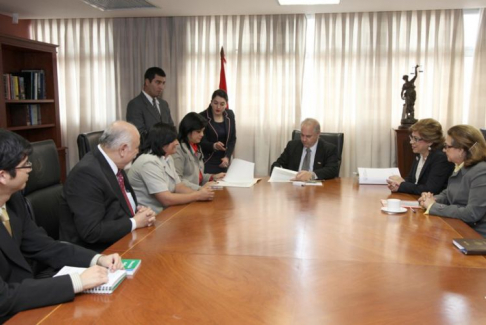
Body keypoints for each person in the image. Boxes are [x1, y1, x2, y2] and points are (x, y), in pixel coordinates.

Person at [0, 129, 124, 323]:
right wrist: (78, 282)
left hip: (26, 299)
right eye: (26, 165)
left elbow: (45, 246)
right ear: (3, 176)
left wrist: (97, 259)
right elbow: (3, 298)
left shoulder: (13, 201)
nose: (31, 169)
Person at [59, 121, 156, 252]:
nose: (137, 152)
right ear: (123, 149)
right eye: (137, 148)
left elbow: (115, 205)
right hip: (95, 252)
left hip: (122, 241)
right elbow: (91, 231)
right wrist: (134, 222)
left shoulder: (114, 164)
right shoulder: (86, 174)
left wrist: (139, 213)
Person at [127, 123, 215, 214]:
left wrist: (200, 192)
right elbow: (166, 199)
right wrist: (197, 195)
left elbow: (178, 186)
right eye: (173, 140)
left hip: (167, 212)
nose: (177, 143)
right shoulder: (148, 162)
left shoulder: (167, 158)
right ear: (162, 141)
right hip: (151, 216)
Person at [419, 125, 486, 237]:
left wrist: (433, 206)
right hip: (459, 227)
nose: (444, 150)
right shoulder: (462, 166)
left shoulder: (481, 171)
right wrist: (432, 199)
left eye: (447, 146)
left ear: (461, 149)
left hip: (476, 237)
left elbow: (472, 213)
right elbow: (449, 193)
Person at [387, 118, 454, 195]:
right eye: (411, 137)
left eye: (416, 139)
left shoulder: (441, 158)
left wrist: (402, 184)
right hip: (416, 198)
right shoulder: (420, 153)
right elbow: (411, 179)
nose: (411, 142)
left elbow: (430, 189)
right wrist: (397, 185)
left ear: (430, 141)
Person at [271, 118, 339, 181]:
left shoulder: (329, 149)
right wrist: (277, 169)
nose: (304, 139)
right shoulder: (292, 146)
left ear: (318, 134)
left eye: (308, 136)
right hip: (293, 187)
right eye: (302, 135)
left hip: (317, 189)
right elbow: (278, 163)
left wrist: (312, 175)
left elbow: (332, 170)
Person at [173, 112, 225, 190]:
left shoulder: (196, 146)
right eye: (198, 131)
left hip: (196, 193)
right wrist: (199, 189)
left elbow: (197, 177)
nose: (202, 134)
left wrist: (212, 177)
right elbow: (177, 181)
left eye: (203, 131)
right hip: (187, 195)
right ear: (187, 130)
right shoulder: (177, 149)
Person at [126, 67, 174, 140]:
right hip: (147, 150)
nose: (161, 87)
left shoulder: (164, 104)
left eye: (163, 83)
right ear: (147, 82)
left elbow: (171, 128)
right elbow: (139, 135)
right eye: (158, 82)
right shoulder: (135, 104)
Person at [199, 89, 236, 174]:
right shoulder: (202, 116)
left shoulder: (230, 115)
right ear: (211, 102)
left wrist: (227, 157)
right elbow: (200, 141)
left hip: (223, 161)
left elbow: (232, 139)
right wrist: (214, 145)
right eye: (215, 103)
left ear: (226, 104)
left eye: (222, 104)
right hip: (207, 160)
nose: (218, 107)